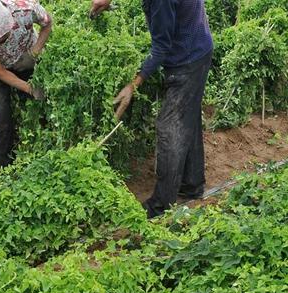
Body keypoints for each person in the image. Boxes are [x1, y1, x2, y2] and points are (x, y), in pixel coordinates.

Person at [91, 0, 213, 218]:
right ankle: (192, 185)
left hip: (188, 59)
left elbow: (161, 48)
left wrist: (132, 85)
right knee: (188, 118)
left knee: (169, 127)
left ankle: (160, 205)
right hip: (198, 46)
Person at [0, 0, 52, 168]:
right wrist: (29, 88)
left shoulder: (26, 9)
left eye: (3, 37)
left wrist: (34, 53)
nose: (0, 41)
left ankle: (45, 150)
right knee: (1, 112)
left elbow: (47, 24)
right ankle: (4, 167)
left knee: (35, 105)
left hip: (24, 54)